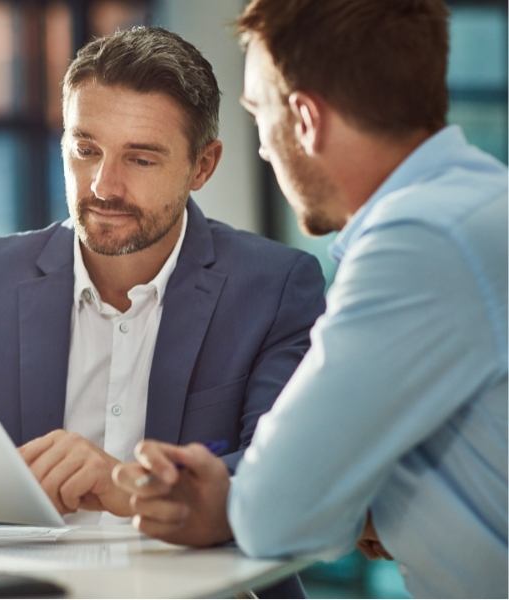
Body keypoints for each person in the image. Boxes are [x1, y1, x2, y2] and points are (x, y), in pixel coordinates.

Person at [0, 26, 325, 590]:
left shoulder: (274, 287)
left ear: (202, 166)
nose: (104, 185)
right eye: (86, 150)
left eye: (141, 159)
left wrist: (130, 485)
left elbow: (286, 476)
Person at [112, 2, 508, 598]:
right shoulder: (477, 204)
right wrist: (366, 505)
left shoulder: (419, 239)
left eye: (258, 115)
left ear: (303, 119)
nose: (265, 150)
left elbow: (276, 512)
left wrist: (236, 500)